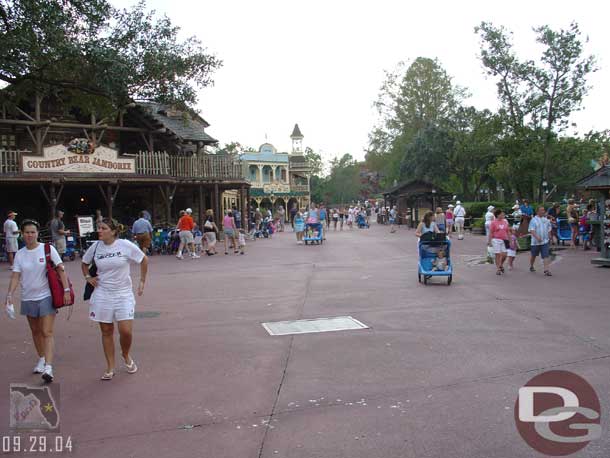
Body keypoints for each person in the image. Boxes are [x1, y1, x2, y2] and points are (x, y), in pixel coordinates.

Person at [5, 219, 72, 383]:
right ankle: (41, 358)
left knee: (46, 331)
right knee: (35, 331)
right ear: (22, 234)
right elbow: (16, 275)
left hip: (46, 296)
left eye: (33, 232)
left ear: (37, 233)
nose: (30, 235)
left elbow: (61, 270)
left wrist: (66, 290)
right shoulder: (20, 254)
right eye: (27, 232)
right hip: (28, 297)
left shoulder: (47, 249)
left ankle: (49, 367)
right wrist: (9, 295)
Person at [82, 218, 148, 380]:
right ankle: (110, 367)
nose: (100, 231)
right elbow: (84, 263)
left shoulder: (125, 245)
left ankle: (125, 354)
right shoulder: (96, 247)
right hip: (102, 293)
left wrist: (141, 281)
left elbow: (143, 259)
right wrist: (88, 277)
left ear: (113, 231)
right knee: (106, 331)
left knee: (125, 331)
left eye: (103, 228)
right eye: (99, 228)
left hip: (123, 293)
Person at [528, 206, 553, 276]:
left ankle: (546, 270)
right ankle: (531, 266)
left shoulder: (546, 220)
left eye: (543, 210)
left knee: (546, 255)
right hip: (535, 242)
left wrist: (550, 236)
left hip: (545, 241)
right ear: (537, 212)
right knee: (534, 255)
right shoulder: (533, 220)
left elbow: (549, 228)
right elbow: (532, 230)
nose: (543, 211)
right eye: (541, 210)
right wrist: (537, 237)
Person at [488, 208, 509, 275]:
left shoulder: (505, 222)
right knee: (498, 254)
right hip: (496, 240)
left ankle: (500, 264)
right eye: (501, 214)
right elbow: (491, 232)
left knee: (505, 255)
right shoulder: (493, 222)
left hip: (504, 240)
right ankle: (498, 269)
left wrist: (510, 240)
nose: (503, 215)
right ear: (498, 215)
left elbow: (507, 231)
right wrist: (489, 241)